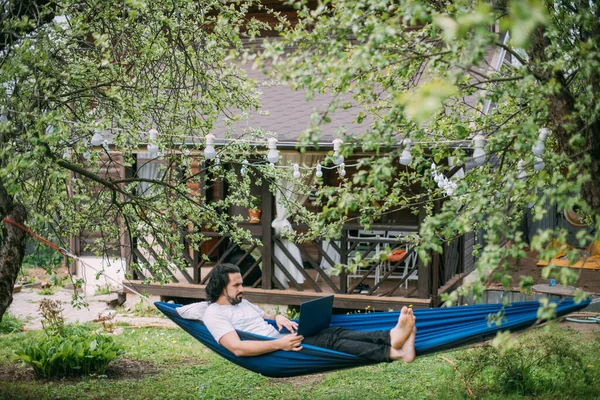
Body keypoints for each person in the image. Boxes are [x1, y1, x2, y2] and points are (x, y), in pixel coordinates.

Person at [203, 263, 416, 363]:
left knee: (335, 331)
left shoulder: (242, 303)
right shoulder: (214, 314)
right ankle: (395, 352)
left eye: (242, 284)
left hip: (283, 339)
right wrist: (279, 344)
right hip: (276, 352)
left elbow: (264, 317)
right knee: (332, 342)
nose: (242, 289)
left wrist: (277, 317)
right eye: (237, 285)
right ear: (222, 287)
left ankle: (390, 337)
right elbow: (237, 348)